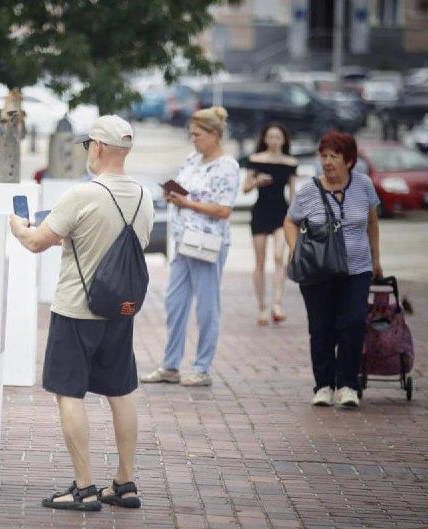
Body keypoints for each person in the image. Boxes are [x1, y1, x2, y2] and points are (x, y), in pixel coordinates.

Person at [10, 115, 154, 511]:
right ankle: (125, 483)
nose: (88, 150)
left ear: (100, 147)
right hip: (120, 310)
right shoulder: (144, 195)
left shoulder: (81, 195)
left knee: (69, 394)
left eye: (88, 143)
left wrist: (17, 227)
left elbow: (38, 242)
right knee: (120, 392)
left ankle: (85, 487)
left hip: (77, 309)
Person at [141, 106, 239, 387]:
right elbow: (185, 190)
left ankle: (202, 367)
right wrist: (173, 194)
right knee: (175, 302)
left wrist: (188, 203)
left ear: (215, 134)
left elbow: (224, 209)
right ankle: (170, 365)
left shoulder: (227, 166)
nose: (193, 139)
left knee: (207, 306)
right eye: (191, 134)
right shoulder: (192, 160)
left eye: (197, 134)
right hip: (183, 241)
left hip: (208, 243)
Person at [283, 131, 382, 408]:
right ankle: (324, 385)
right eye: (323, 156)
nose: (327, 162)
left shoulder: (363, 186)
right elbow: (290, 222)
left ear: (349, 161)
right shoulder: (308, 191)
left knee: (352, 323)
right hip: (317, 272)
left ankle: (349, 385)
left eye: (333, 157)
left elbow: (372, 223)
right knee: (321, 327)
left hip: (358, 269)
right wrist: (295, 251)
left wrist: (376, 258)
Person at [243, 124, 298, 325]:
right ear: (265, 139)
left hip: (281, 213)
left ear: (284, 140)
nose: (274, 141)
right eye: (271, 137)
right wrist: (257, 182)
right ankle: (262, 307)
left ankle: (277, 304)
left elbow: (292, 193)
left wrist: (296, 217)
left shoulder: (290, 162)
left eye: (278, 137)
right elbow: (245, 188)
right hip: (260, 212)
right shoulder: (255, 160)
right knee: (259, 260)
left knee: (279, 257)